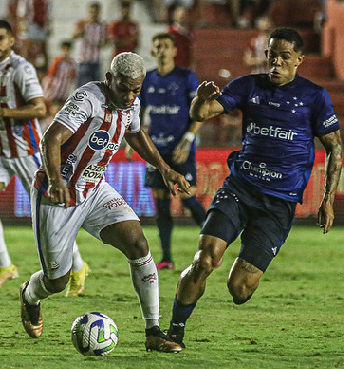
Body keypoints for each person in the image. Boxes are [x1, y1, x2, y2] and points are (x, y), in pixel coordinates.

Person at [166, 28, 342, 349]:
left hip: (278, 203)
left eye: (284, 56)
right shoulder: (248, 86)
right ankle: (174, 331)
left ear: (299, 60)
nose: (275, 61)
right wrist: (201, 99)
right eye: (272, 54)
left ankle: (243, 279)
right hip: (239, 189)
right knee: (204, 261)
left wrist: (327, 200)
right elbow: (201, 114)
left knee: (240, 288)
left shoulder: (314, 96)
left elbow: (335, 147)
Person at [18, 51, 188, 353]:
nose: (130, 96)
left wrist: (164, 168)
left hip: (95, 189)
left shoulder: (131, 102)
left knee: (138, 244)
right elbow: (51, 138)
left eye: (136, 90)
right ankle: (29, 295)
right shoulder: (89, 99)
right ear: (110, 79)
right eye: (124, 89)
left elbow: (135, 134)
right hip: (59, 194)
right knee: (57, 282)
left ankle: (153, 331)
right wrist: (57, 181)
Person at [0, 20, 89, 295]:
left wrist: (1, 114)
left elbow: (39, 108)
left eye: (1, 38)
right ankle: (4, 266)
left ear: (11, 41)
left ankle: (78, 266)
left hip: (26, 152)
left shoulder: (21, 68)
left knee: (53, 217)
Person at [138, 33, 205, 269]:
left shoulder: (186, 77)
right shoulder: (148, 79)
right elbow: (140, 112)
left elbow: (200, 110)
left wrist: (188, 138)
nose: (162, 50)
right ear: (153, 51)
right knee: (161, 203)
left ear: (175, 51)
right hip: (156, 149)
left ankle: (214, 246)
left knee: (188, 198)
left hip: (180, 148)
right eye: (158, 47)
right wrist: (132, 140)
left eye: (166, 46)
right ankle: (166, 258)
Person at [72, 1, 109, 86]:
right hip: (83, 60)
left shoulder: (103, 25)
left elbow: (106, 41)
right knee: (81, 88)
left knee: (96, 88)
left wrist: (102, 43)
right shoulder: (82, 23)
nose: (94, 14)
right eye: (92, 12)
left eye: (96, 12)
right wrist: (80, 33)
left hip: (96, 60)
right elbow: (74, 35)